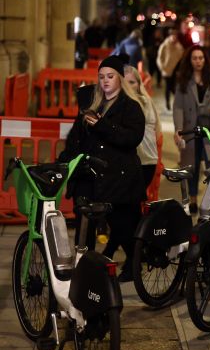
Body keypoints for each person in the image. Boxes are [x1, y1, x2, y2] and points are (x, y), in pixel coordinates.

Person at [58, 55, 146, 281]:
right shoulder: (90, 104)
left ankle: (134, 264)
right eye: (101, 77)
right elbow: (76, 138)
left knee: (123, 227)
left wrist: (103, 126)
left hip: (119, 178)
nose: (105, 81)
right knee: (84, 226)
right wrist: (65, 162)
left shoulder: (131, 106)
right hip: (90, 175)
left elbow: (132, 138)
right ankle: (84, 272)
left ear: (120, 79)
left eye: (110, 76)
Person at [173, 45, 210, 213]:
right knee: (192, 167)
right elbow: (178, 106)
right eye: (194, 58)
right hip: (191, 131)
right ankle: (192, 199)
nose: (198, 61)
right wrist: (178, 129)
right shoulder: (183, 78)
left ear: (205, 59)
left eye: (201, 58)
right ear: (189, 61)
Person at [124, 65, 159, 191]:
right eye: (124, 83)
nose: (128, 86)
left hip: (144, 162)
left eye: (132, 82)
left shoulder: (143, 102)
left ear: (139, 85)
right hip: (131, 162)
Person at [156, 28, 185, 110]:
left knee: (173, 88)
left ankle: (178, 102)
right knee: (168, 87)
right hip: (166, 70)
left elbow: (182, 58)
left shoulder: (179, 47)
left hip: (175, 70)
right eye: (173, 36)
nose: (174, 38)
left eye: (176, 36)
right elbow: (159, 57)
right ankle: (168, 103)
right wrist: (162, 67)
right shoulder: (165, 45)